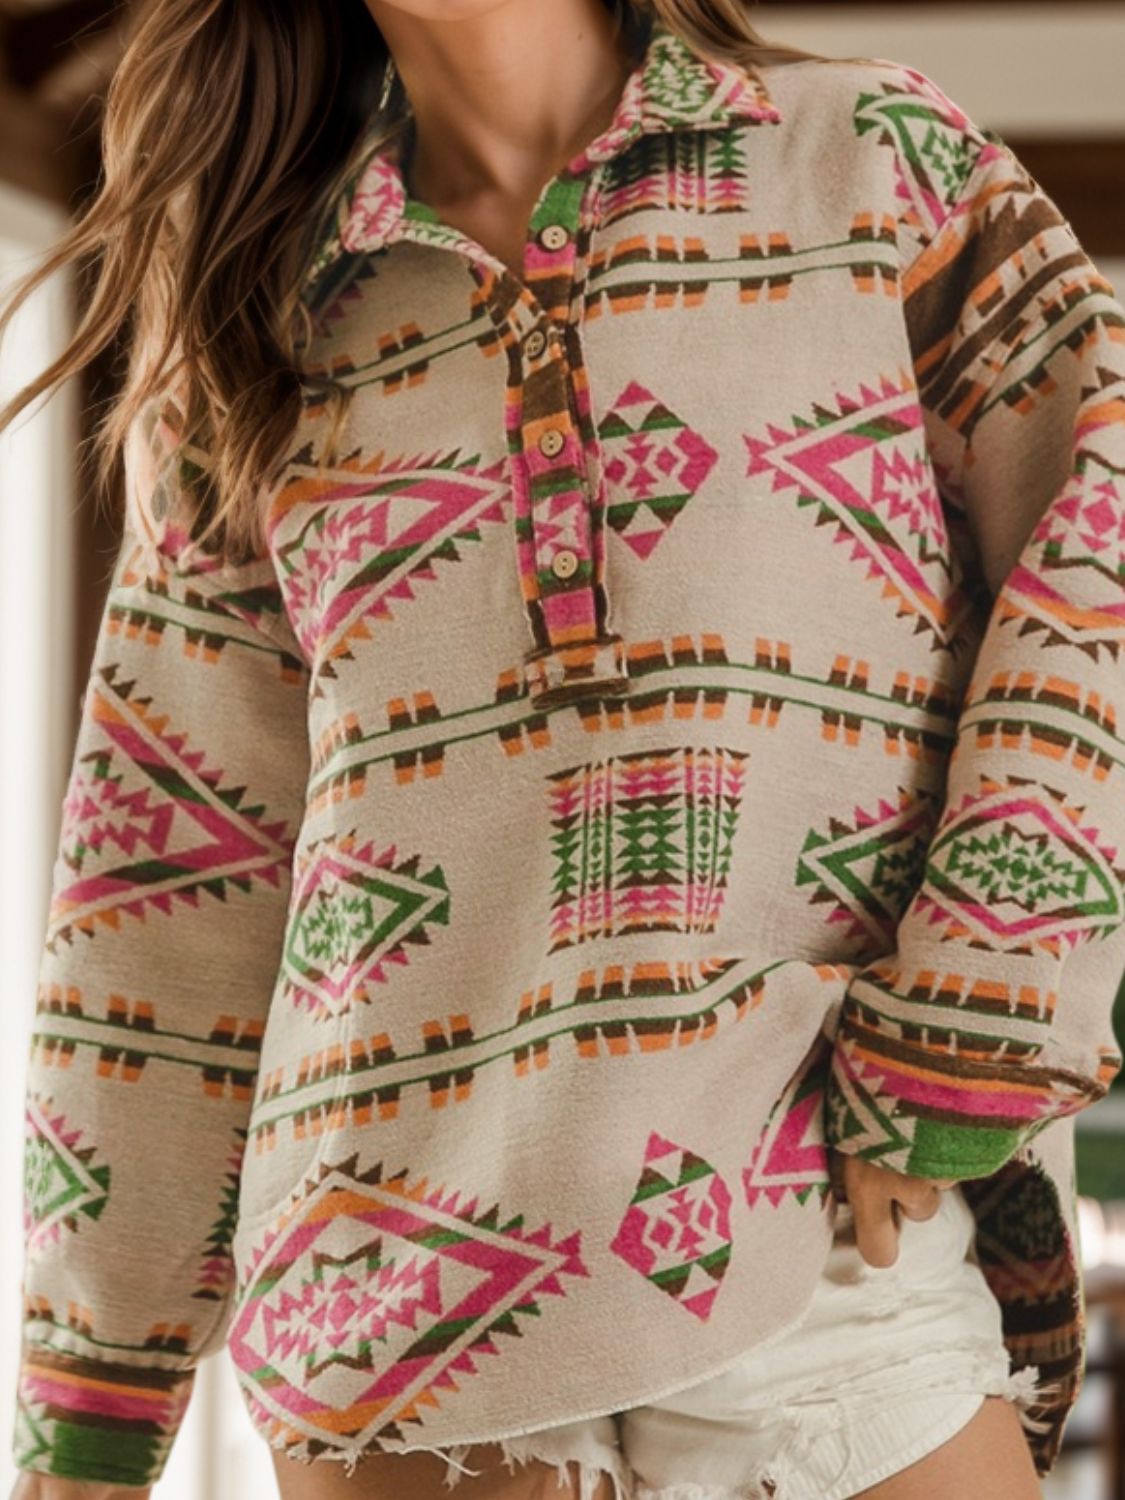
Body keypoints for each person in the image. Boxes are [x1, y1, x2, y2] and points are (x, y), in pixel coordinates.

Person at [3, 0, 1124, 1496]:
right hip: (393, 1306)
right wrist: (88, 1390)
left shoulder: (876, 162)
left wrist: (969, 1022)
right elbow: (169, 870)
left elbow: (1096, 563)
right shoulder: (261, 310)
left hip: (818, 1220)